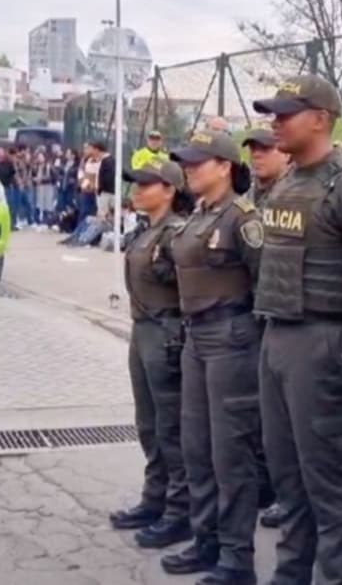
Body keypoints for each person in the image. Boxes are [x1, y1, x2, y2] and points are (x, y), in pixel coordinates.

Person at [251, 75, 342, 585]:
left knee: (329, 483)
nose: (275, 122)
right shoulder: (285, 182)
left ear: (322, 119)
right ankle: (290, 574)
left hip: (323, 344)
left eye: (287, 113)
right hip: (277, 337)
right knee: (287, 477)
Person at [164, 130, 265, 585]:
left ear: (224, 166)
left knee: (231, 453)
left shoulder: (243, 219)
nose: (189, 168)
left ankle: (236, 557)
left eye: (197, 161)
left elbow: (266, 285)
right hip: (196, 339)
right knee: (197, 446)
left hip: (231, 338)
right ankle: (206, 539)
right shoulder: (195, 218)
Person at [111, 160, 196, 550]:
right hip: (143, 331)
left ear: (170, 190)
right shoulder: (149, 231)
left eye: (148, 184)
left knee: (170, 429)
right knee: (148, 424)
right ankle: (155, 498)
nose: (138, 190)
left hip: (165, 333)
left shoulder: (177, 234)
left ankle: (180, 512)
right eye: (137, 184)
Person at [240, 122, 292, 529]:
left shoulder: (292, 196)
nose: (257, 155)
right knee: (259, 412)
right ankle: (265, 482)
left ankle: (284, 492)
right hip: (253, 316)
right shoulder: (250, 199)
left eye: (265, 149)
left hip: (283, 315)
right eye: (253, 149)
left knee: (286, 418)